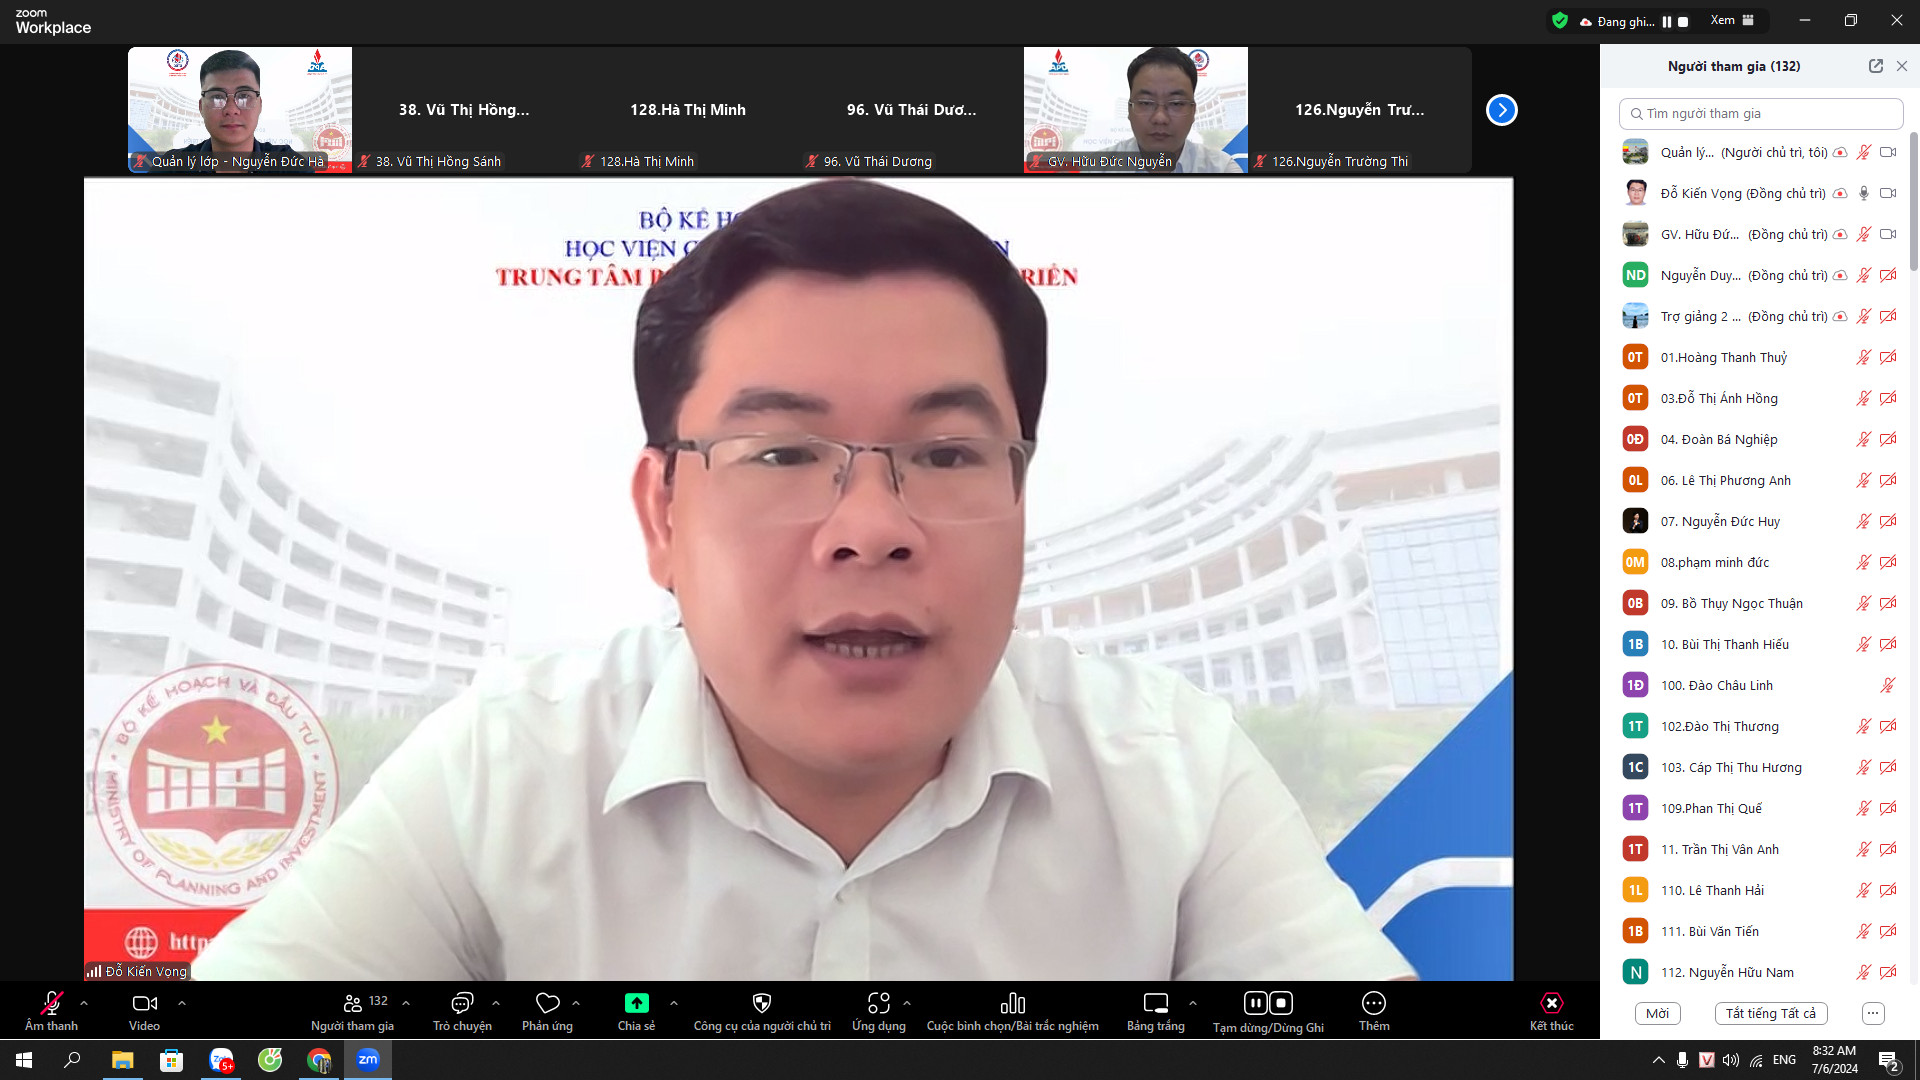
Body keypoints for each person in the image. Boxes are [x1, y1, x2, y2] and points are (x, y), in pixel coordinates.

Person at [190, 179, 1414, 981]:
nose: (870, 531)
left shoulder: (1175, 778)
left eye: (946, 455)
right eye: (781, 454)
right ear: (663, 514)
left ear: (1020, 497)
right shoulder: (506, 768)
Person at [150, 50, 315, 174]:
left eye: (244, 96)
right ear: (201, 107)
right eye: (217, 97)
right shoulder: (170, 167)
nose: (231, 110)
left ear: (260, 105)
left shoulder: (290, 166)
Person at [1101, 47, 1240, 174]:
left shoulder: (1222, 169)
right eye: (1145, 102)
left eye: (1176, 103)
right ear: (1129, 109)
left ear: (1193, 111)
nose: (1160, 118)